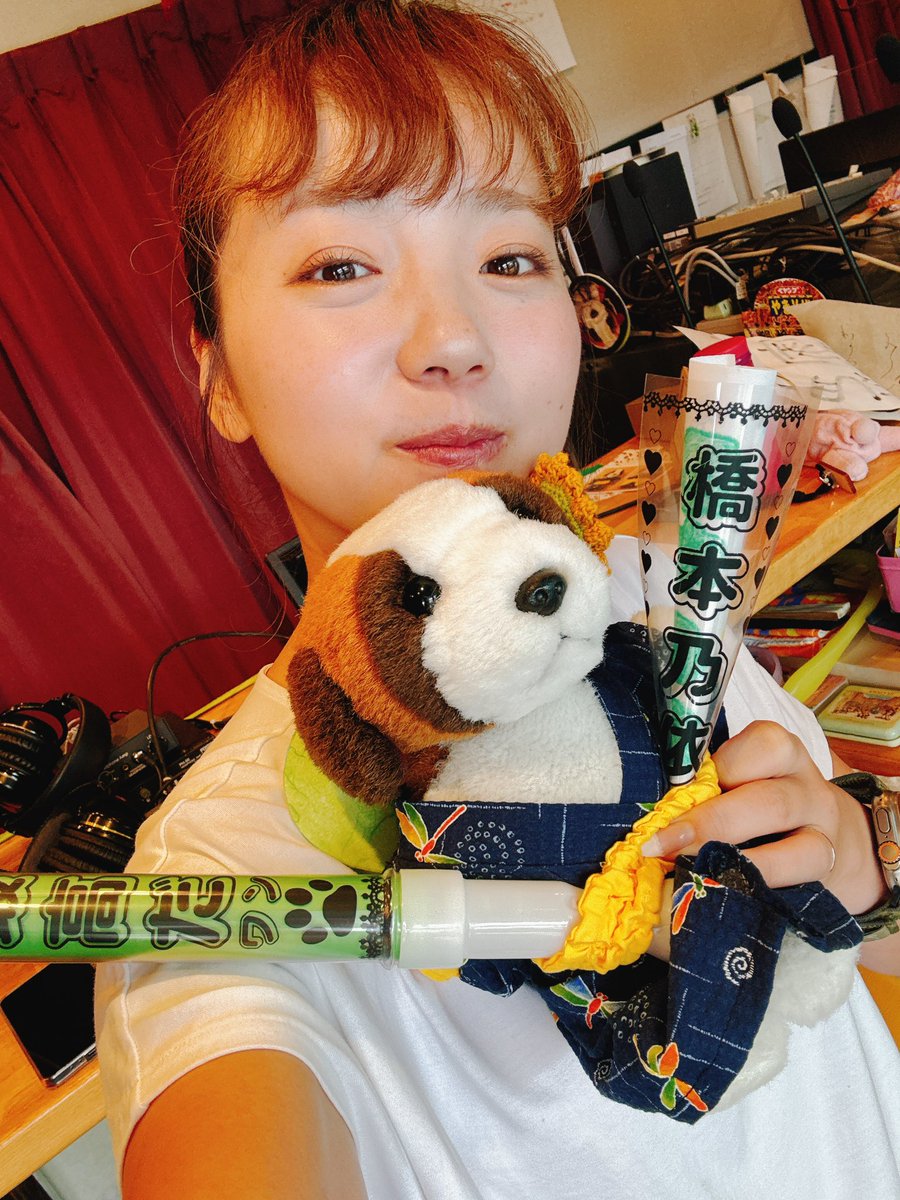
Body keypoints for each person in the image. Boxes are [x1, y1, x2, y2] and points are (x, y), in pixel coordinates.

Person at [95, 4, 900, 1197]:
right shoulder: (218, 875)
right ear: (217, 375)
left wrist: (859, 876)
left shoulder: (647, 611)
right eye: (341, 266)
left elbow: (856, 968)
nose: (453, 339)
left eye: (510, 258)